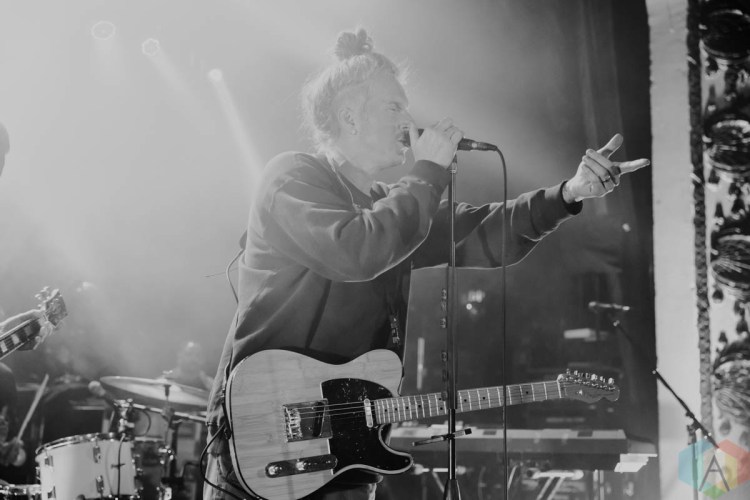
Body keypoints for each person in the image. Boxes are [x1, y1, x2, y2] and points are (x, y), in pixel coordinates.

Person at [204, 28, 650, 500]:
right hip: (266, 435)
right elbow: (358, 250)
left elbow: (478, 231)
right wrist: (428, 171)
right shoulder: (293, 177)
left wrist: (568, 194)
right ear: (349, 116)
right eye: (393, 107)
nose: (408, 120)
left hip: (343, 456)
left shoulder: (391, 207)